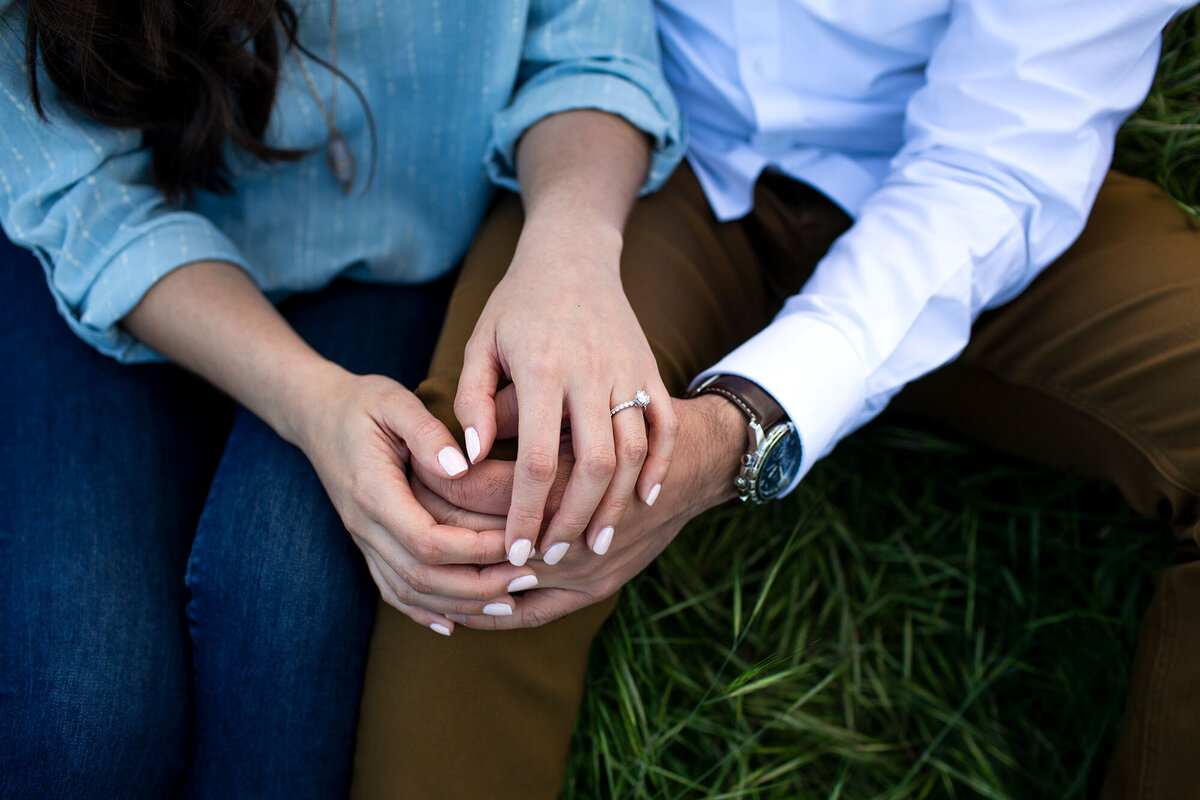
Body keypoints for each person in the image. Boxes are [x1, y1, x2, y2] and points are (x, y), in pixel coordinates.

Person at [350, 1, 1200, 798]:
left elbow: (1002, 161)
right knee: (499, 486)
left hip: (978, 195)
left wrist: (739, 431)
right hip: (642, 138)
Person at [0, 1, 684, 796]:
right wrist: (312, 402)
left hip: (393, 248)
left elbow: (590, 45)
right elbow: (90, 206)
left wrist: (570, 251)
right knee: (77, 716)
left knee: (283, 595)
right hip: (114, 261)